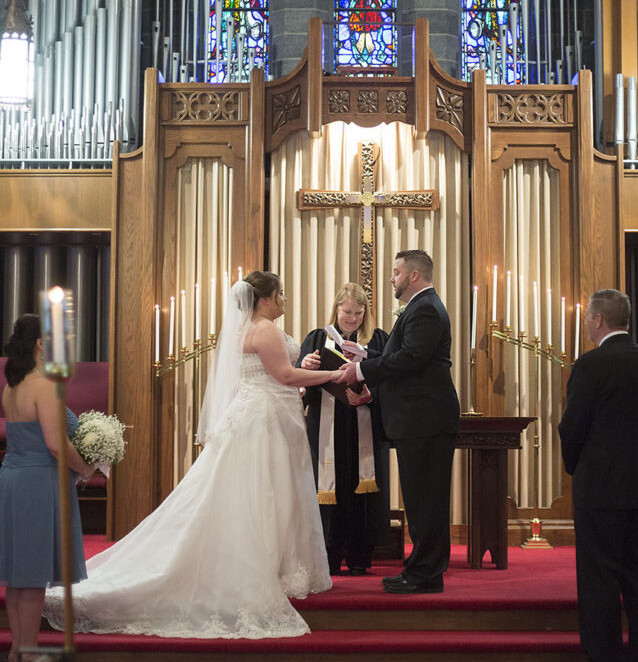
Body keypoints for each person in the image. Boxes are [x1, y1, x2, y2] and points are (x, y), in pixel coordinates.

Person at [43, 273, 344, 640]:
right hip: (266, 420)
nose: (284, 299)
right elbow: (281, 375)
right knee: (269, 492)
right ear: (264, 300)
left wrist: (307, 370)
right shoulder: (265, 329)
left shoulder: (244, 330)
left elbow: (268, 375)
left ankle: (266, 564)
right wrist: (335, 374)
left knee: (254, 492)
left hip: (258, 413)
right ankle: (268, 567)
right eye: (279, 293)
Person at [559, 289, 638, 662]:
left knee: (599, 576)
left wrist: (575, 467)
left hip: (600, 486)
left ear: (599, 320)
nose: (586, 322)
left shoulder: (591, 365)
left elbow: (573, 427)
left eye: (588, 316)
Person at [338, 250, 460, 594]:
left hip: (425, 420)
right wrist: (365, 355)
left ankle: (425, 574)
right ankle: (421, 571)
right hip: (417, 421)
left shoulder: (424, 309)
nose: (392, 279)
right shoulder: (421, 307)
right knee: (421, 499)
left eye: (396, 273)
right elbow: (401, 356)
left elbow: (411, 359)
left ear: (414, 276)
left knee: (427, 502)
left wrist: (360, 370)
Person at [0, 314, 96, 662]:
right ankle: (29, 653)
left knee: (17, 575)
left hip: (12, 479)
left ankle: (17, 650)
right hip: (38, 483)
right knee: (34, 573)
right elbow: (57, 446)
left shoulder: (13, 386)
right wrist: (85, 468)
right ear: (41, 343)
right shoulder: (44, 386)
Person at [299, 282, 389, 575]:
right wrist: (307, 366)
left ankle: (360, 556)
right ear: (336, 309)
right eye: (346, 311)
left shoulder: (378, 341)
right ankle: (328, 554)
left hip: (363, 423)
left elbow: (391, 378)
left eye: (358, 313)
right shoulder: (317, 339)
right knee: (327, 488)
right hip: (327, 426)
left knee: (361, 489)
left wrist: (370, 393)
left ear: (366, 313)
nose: (352, 318)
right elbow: (298, 382)